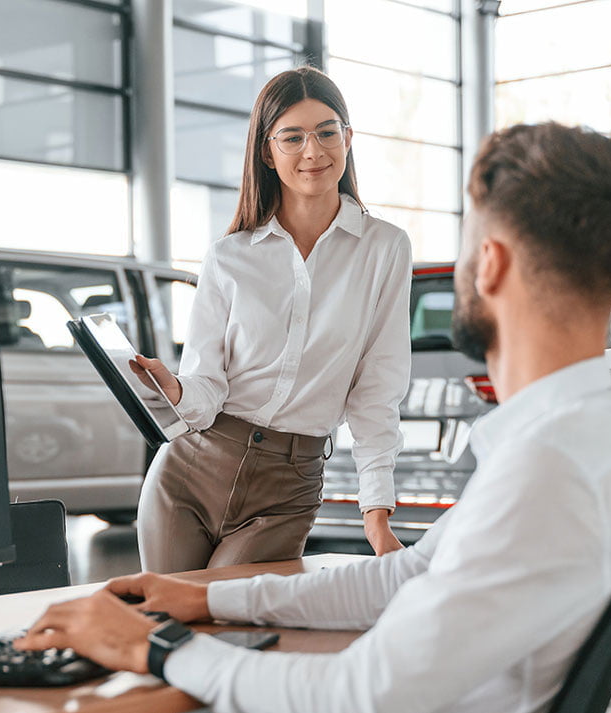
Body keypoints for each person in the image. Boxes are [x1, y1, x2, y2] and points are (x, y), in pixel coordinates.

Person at [16, 122, 611, 713]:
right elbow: (410, 575)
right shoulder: (583, 445)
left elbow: (362, 692)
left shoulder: (549, 473)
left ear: (489, 264)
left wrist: (151, 648)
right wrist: (205, 596)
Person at [133, 66, 412, 569]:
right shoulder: (228, 256)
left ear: (348, 138)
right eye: (293, 137)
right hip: (191, 471)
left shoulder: (385, 248)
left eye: (328, 132)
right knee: (167, 624)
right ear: (267, 151)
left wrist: (377, 514)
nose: (314, 151)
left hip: (288, 489)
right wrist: (174, 390)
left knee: (230, 618)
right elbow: (207, 385)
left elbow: (378, 388)